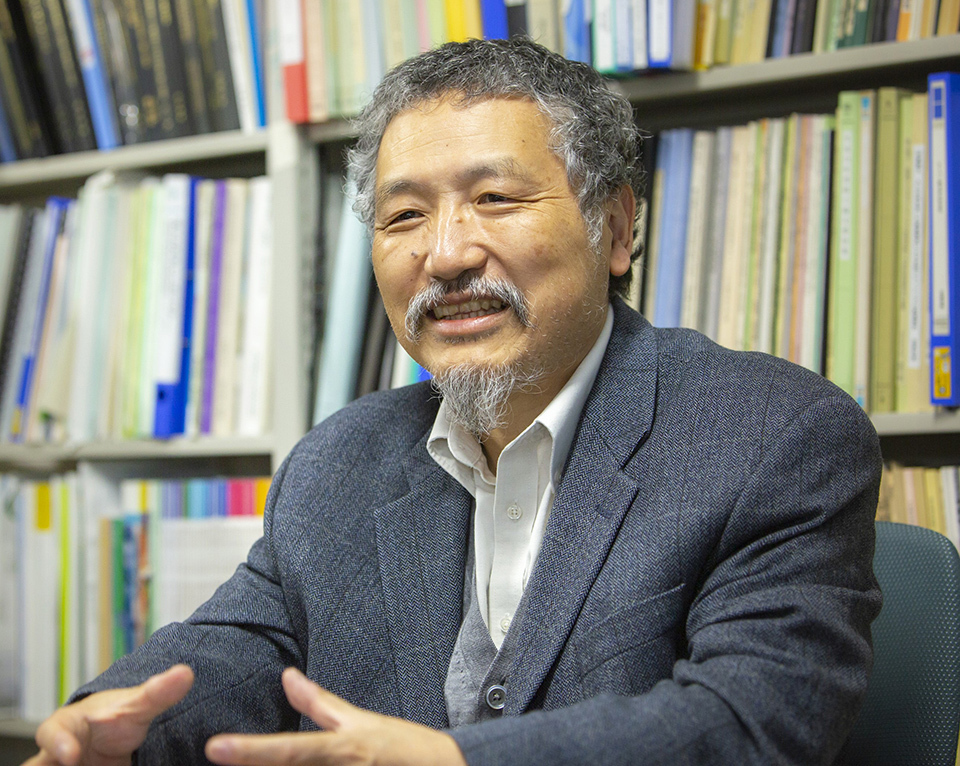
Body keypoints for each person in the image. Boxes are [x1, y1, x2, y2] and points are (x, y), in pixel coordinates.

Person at [25, 37, 881, 766]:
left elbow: (754, 719)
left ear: (617, 229)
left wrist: (456, 761)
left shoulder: (773, 435)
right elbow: (245, 648)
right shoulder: (339, 459)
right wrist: (116, 728)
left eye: (495, 199)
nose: (444, 255)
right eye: (403, 216)